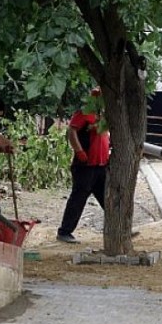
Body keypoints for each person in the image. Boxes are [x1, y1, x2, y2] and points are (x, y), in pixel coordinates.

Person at [57, 87, 111, 243]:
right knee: (78, 198)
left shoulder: (104, 115)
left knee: (108, 199)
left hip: (101, 165)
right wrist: (79, 151)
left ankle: (119, 229)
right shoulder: (84, 112)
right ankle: (64, 231)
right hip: (86, 165)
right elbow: (72, 131)